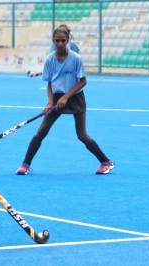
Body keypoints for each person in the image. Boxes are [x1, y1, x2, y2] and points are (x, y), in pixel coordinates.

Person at [16, 27, 113, 175]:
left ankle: (106, 161)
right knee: (41, 132)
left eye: (63, 40)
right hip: (56, 98)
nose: (60, 43)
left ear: (68, 41)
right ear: (53, 41)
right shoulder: (49, 60)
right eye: (57, 40)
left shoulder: (75, 58)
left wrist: (66, 96)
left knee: (82, 135)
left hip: (75, 97)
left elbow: (83, 81)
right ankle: (25, 164)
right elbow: (49, 83)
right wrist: (50, 102)